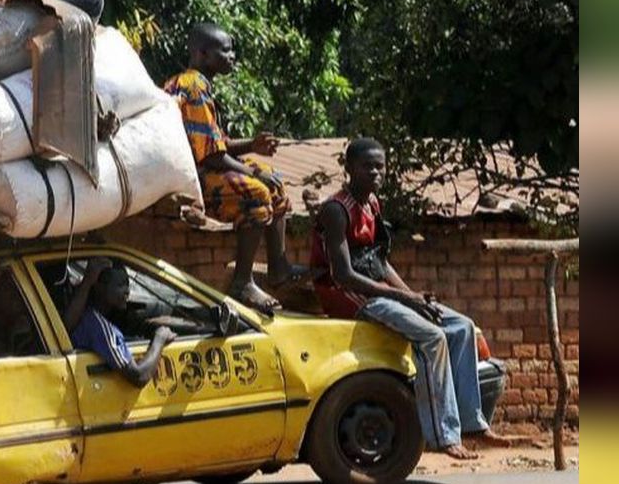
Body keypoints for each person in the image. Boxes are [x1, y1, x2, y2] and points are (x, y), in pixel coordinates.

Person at [311, 138, 514, 459]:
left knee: (462, 327)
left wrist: (412, 296)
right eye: (368, 166)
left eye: (380, 166)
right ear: (349, 169)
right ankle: (444, 437)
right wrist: (402, 298)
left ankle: (472, 424)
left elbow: (379, 262)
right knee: (433, 338)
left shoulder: (372, 205)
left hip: (377, 290)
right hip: (349, 298)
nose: (376, 172)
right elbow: (343, 275)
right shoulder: (337, 210)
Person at [164, 23, 306, 312]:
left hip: (205, 167)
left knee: (274, 181)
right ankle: (243, 283)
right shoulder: (193, 86)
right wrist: (253, 173)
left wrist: (253, 146)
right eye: (225, 50)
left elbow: (218, 144)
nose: (232, 56)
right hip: (192, 178)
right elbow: (210, 157)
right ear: (203, 53)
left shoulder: (197, 85)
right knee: (256, 192)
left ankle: (279, 268)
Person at [61, 258, 176, 387]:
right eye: (120, 285)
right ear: (99, 287)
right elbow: (139, 376)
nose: (127, 291)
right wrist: (160, 339)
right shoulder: (99, 327)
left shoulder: (86, 315)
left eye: (127, 284)